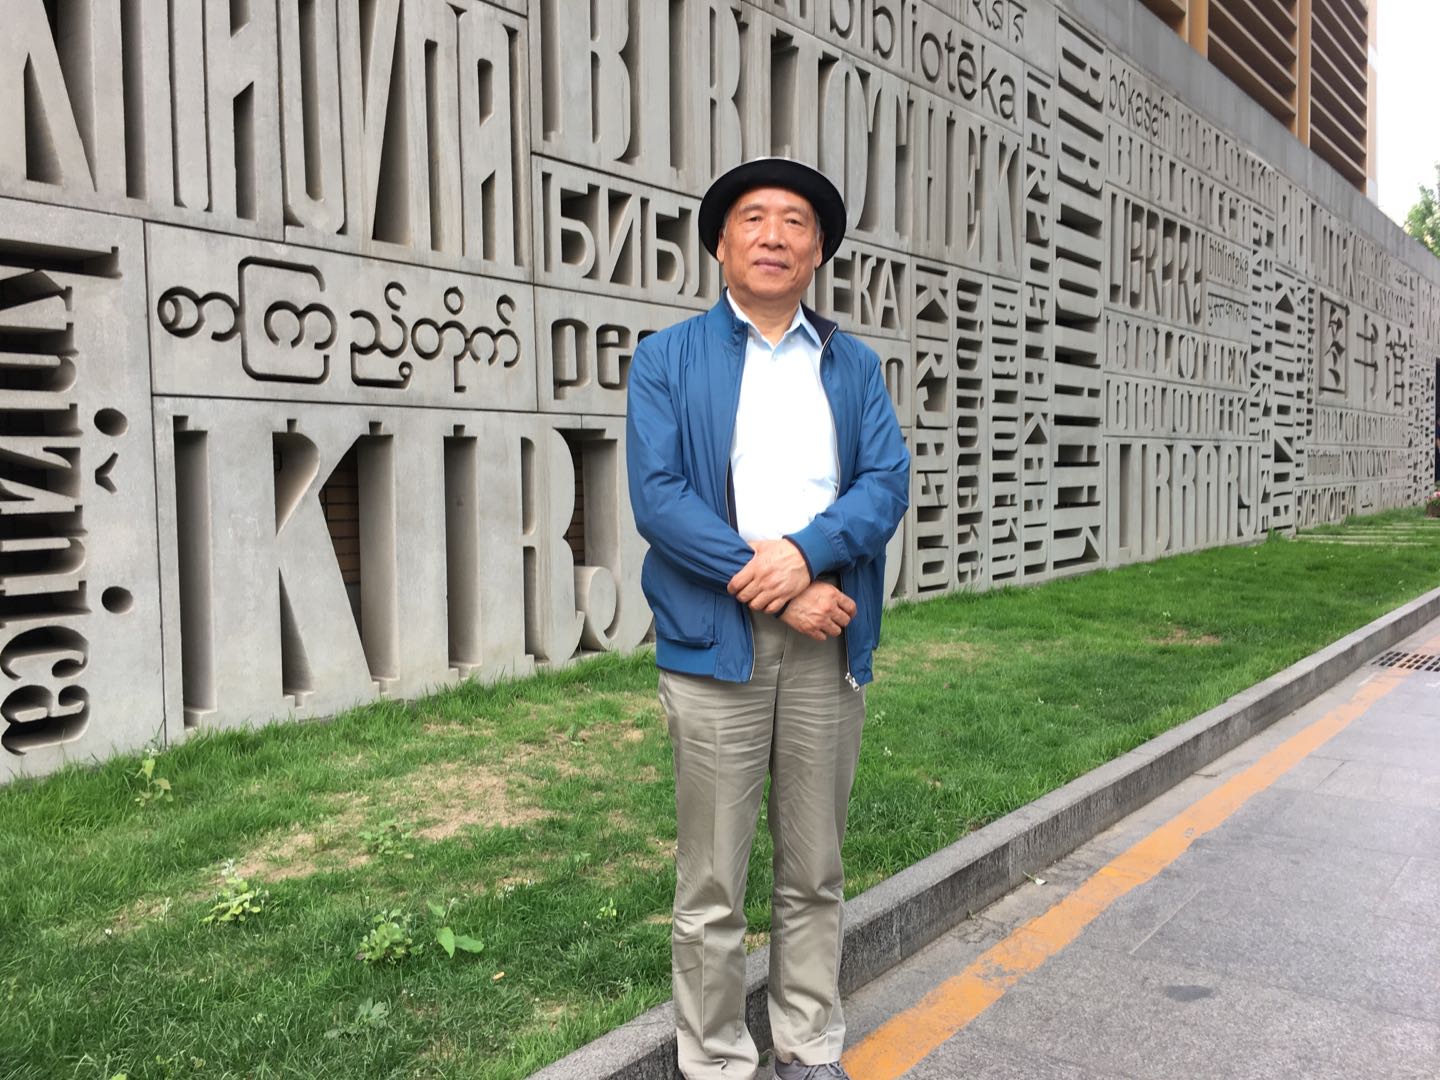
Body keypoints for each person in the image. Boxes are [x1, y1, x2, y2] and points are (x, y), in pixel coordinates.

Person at [625, 157, 910, 1080]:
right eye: (754, 218)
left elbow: (885, 483)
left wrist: (812, 551)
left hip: (829, 642)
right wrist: (785, 581)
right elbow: (660, 499)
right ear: (721, 243)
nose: (774, 236)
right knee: (713, 879)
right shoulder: (668, 359)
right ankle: (713, 1059)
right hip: (716, 644)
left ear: (818, 250)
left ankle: (807, 1044)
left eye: (795, 222)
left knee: (814, 867)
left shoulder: (852, 365)